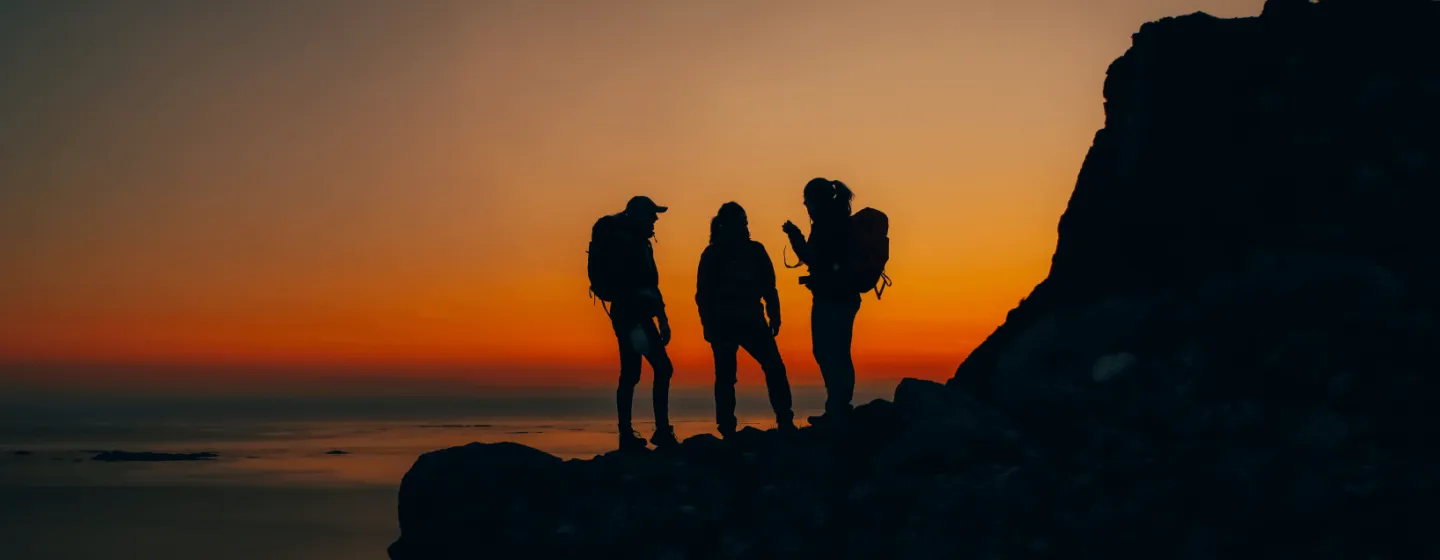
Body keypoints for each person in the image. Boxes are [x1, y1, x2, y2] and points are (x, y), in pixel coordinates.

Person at [696, 202, 796, 437]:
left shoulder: (752, 250)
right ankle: (729, 427)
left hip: (747, 320)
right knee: (731, 376)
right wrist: (708, 325)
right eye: (741, 222)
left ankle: (783, 419)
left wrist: (775, 315)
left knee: (769, 369)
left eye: (745, 222)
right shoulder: (715, 254)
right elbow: (703, 294)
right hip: (728, 323)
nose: (744, 226)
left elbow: (769, 286)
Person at [588, 196, 679, 450]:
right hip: (632, 318)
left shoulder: (639, 243)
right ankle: (650, 432)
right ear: (639, 215)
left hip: (633, 316)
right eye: (651, 214)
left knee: (635, 372)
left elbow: (651, 284)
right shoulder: (629, 245)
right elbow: (642, 285)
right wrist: (660, 317)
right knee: (657, 369)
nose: (655, 219)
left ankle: (630, 434)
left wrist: (662, 318)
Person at [782, 178, 860, 426]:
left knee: (828, 352)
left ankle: (838, 409)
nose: (806, 208)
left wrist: (795, 237)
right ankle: (838, 406)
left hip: (832, 298)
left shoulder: (827, 224)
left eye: (807, 202)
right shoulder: (840, 221)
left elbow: (813, 258)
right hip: (844, 296)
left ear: (816, 201)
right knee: (838, 352)